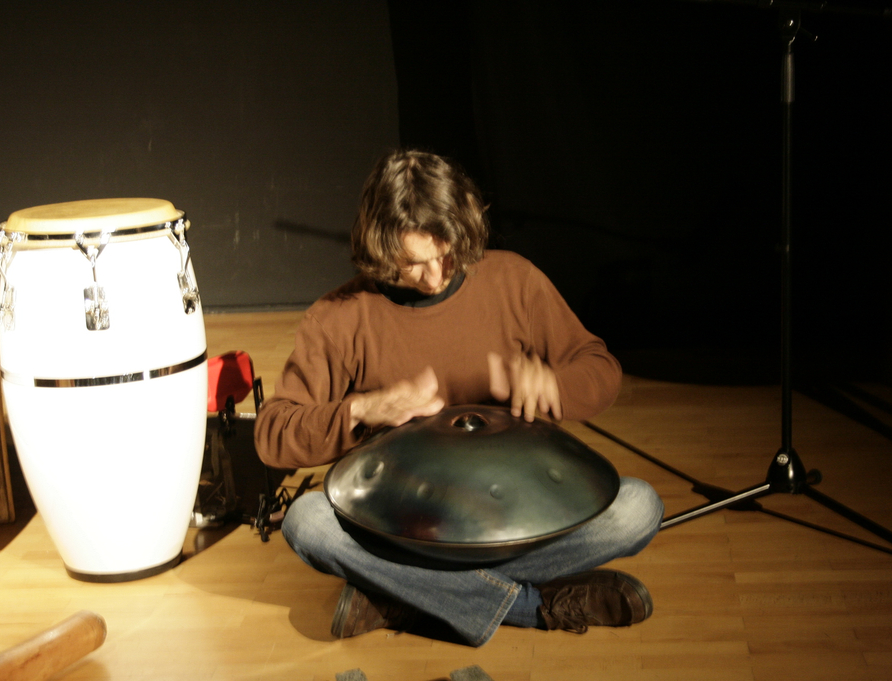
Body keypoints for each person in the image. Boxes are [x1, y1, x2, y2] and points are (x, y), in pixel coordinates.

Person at [254, 149, 663, 647]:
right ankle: (532, 607)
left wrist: (556, 386)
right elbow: (273, 434)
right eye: (412, 264)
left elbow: (601, 368)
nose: (435, 276)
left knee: (639, 507)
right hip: (404, 530)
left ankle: (404, 598)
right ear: (379, 249)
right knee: (307, 523)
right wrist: (363, 409)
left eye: (445, 255)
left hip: (519, 518)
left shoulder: (514, 280)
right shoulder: (339, 317)